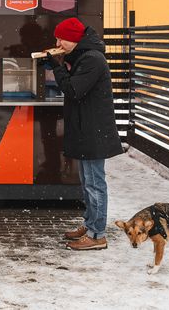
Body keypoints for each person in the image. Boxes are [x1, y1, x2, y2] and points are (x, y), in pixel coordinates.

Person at [46, 17, 123, 250]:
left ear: (73, 39)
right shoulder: (85, 56)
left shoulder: (93, 59)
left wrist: (57, 67)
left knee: (94, 184)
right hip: (87, 129)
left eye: (61, 39)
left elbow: (73, 89)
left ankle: (97, 235)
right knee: (87, 182)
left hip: (93, 131)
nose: (57, 43)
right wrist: (59, 63)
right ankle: (90, 225)